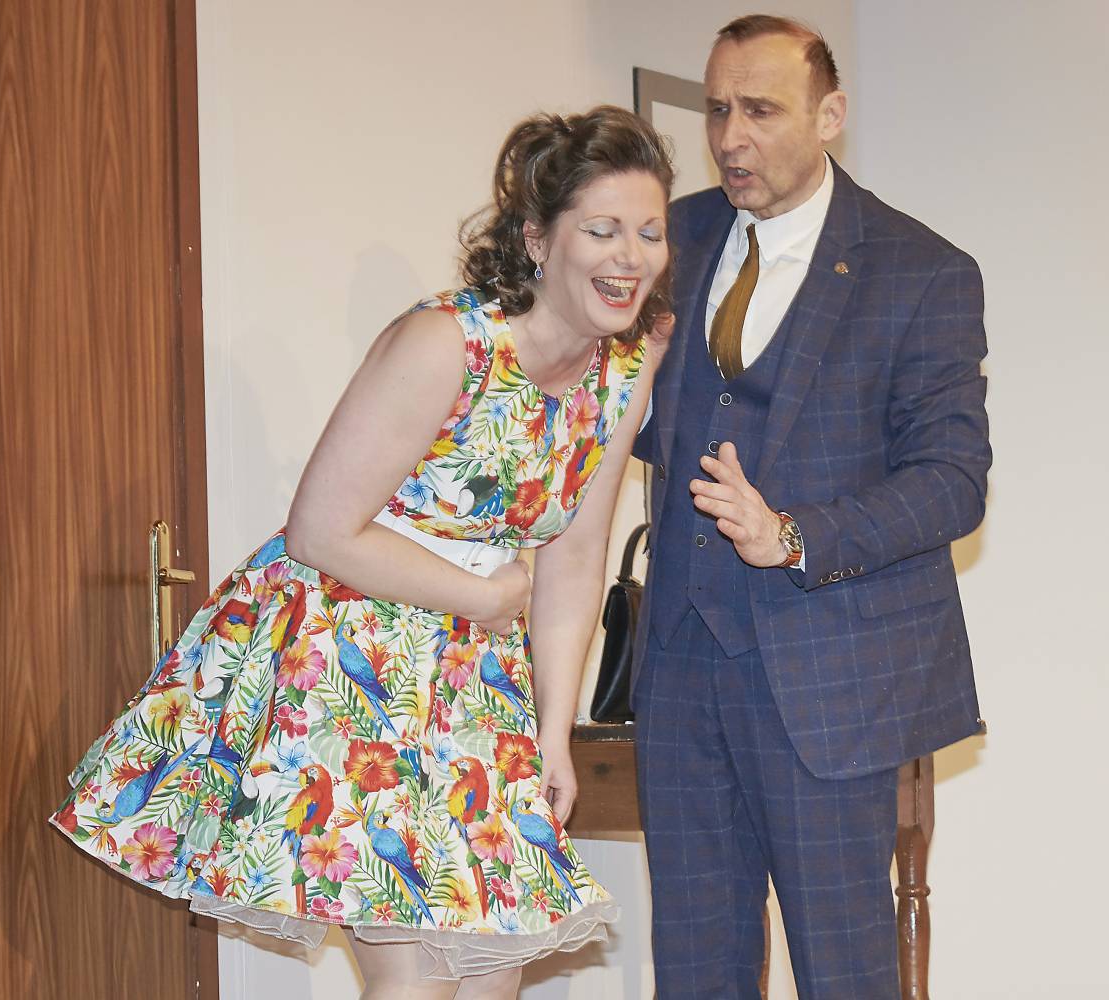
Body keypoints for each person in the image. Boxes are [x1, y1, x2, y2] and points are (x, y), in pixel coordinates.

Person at [51, 104, 674, 1000]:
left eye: (649, 232)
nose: (630, 256)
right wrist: (483, 599)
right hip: (348, 646)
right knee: (415, 981)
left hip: (472, 673)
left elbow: (576, 557)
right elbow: (320, 529)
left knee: (493, 973)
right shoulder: (447, 342)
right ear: (539, 240)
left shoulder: (623, 371)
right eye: (603, 229)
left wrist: (554, 732)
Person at [631, 15, 991, 998]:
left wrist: (792, 535)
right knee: (693, 972)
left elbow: (954, 479)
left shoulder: (921, 272)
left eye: (760, 110)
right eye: (717, 110)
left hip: (831, 679)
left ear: (829, 115)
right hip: (680, 668)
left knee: (844, 973)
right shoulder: (673, 238)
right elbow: (631, 414)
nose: (730, 137)